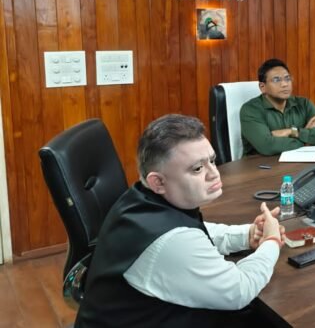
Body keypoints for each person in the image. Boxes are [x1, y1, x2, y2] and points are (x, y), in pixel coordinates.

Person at [76, 114, 284, 328]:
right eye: (197, 169)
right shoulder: (171, 241)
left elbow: (192, 232)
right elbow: (239, 291)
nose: (214, 174)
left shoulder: (141, 198)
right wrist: (271, 242)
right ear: (158, 182)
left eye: (212, 161)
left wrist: (246, 235)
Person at [241, 58, 315, 156]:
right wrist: (306, 139)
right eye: (276, 80)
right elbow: (267, 146)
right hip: (261, 164)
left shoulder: (303, 104)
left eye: (287, 79)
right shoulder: (250, 110)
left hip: (298, 161)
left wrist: (292, 132)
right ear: (262, 87)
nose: (285, 84)